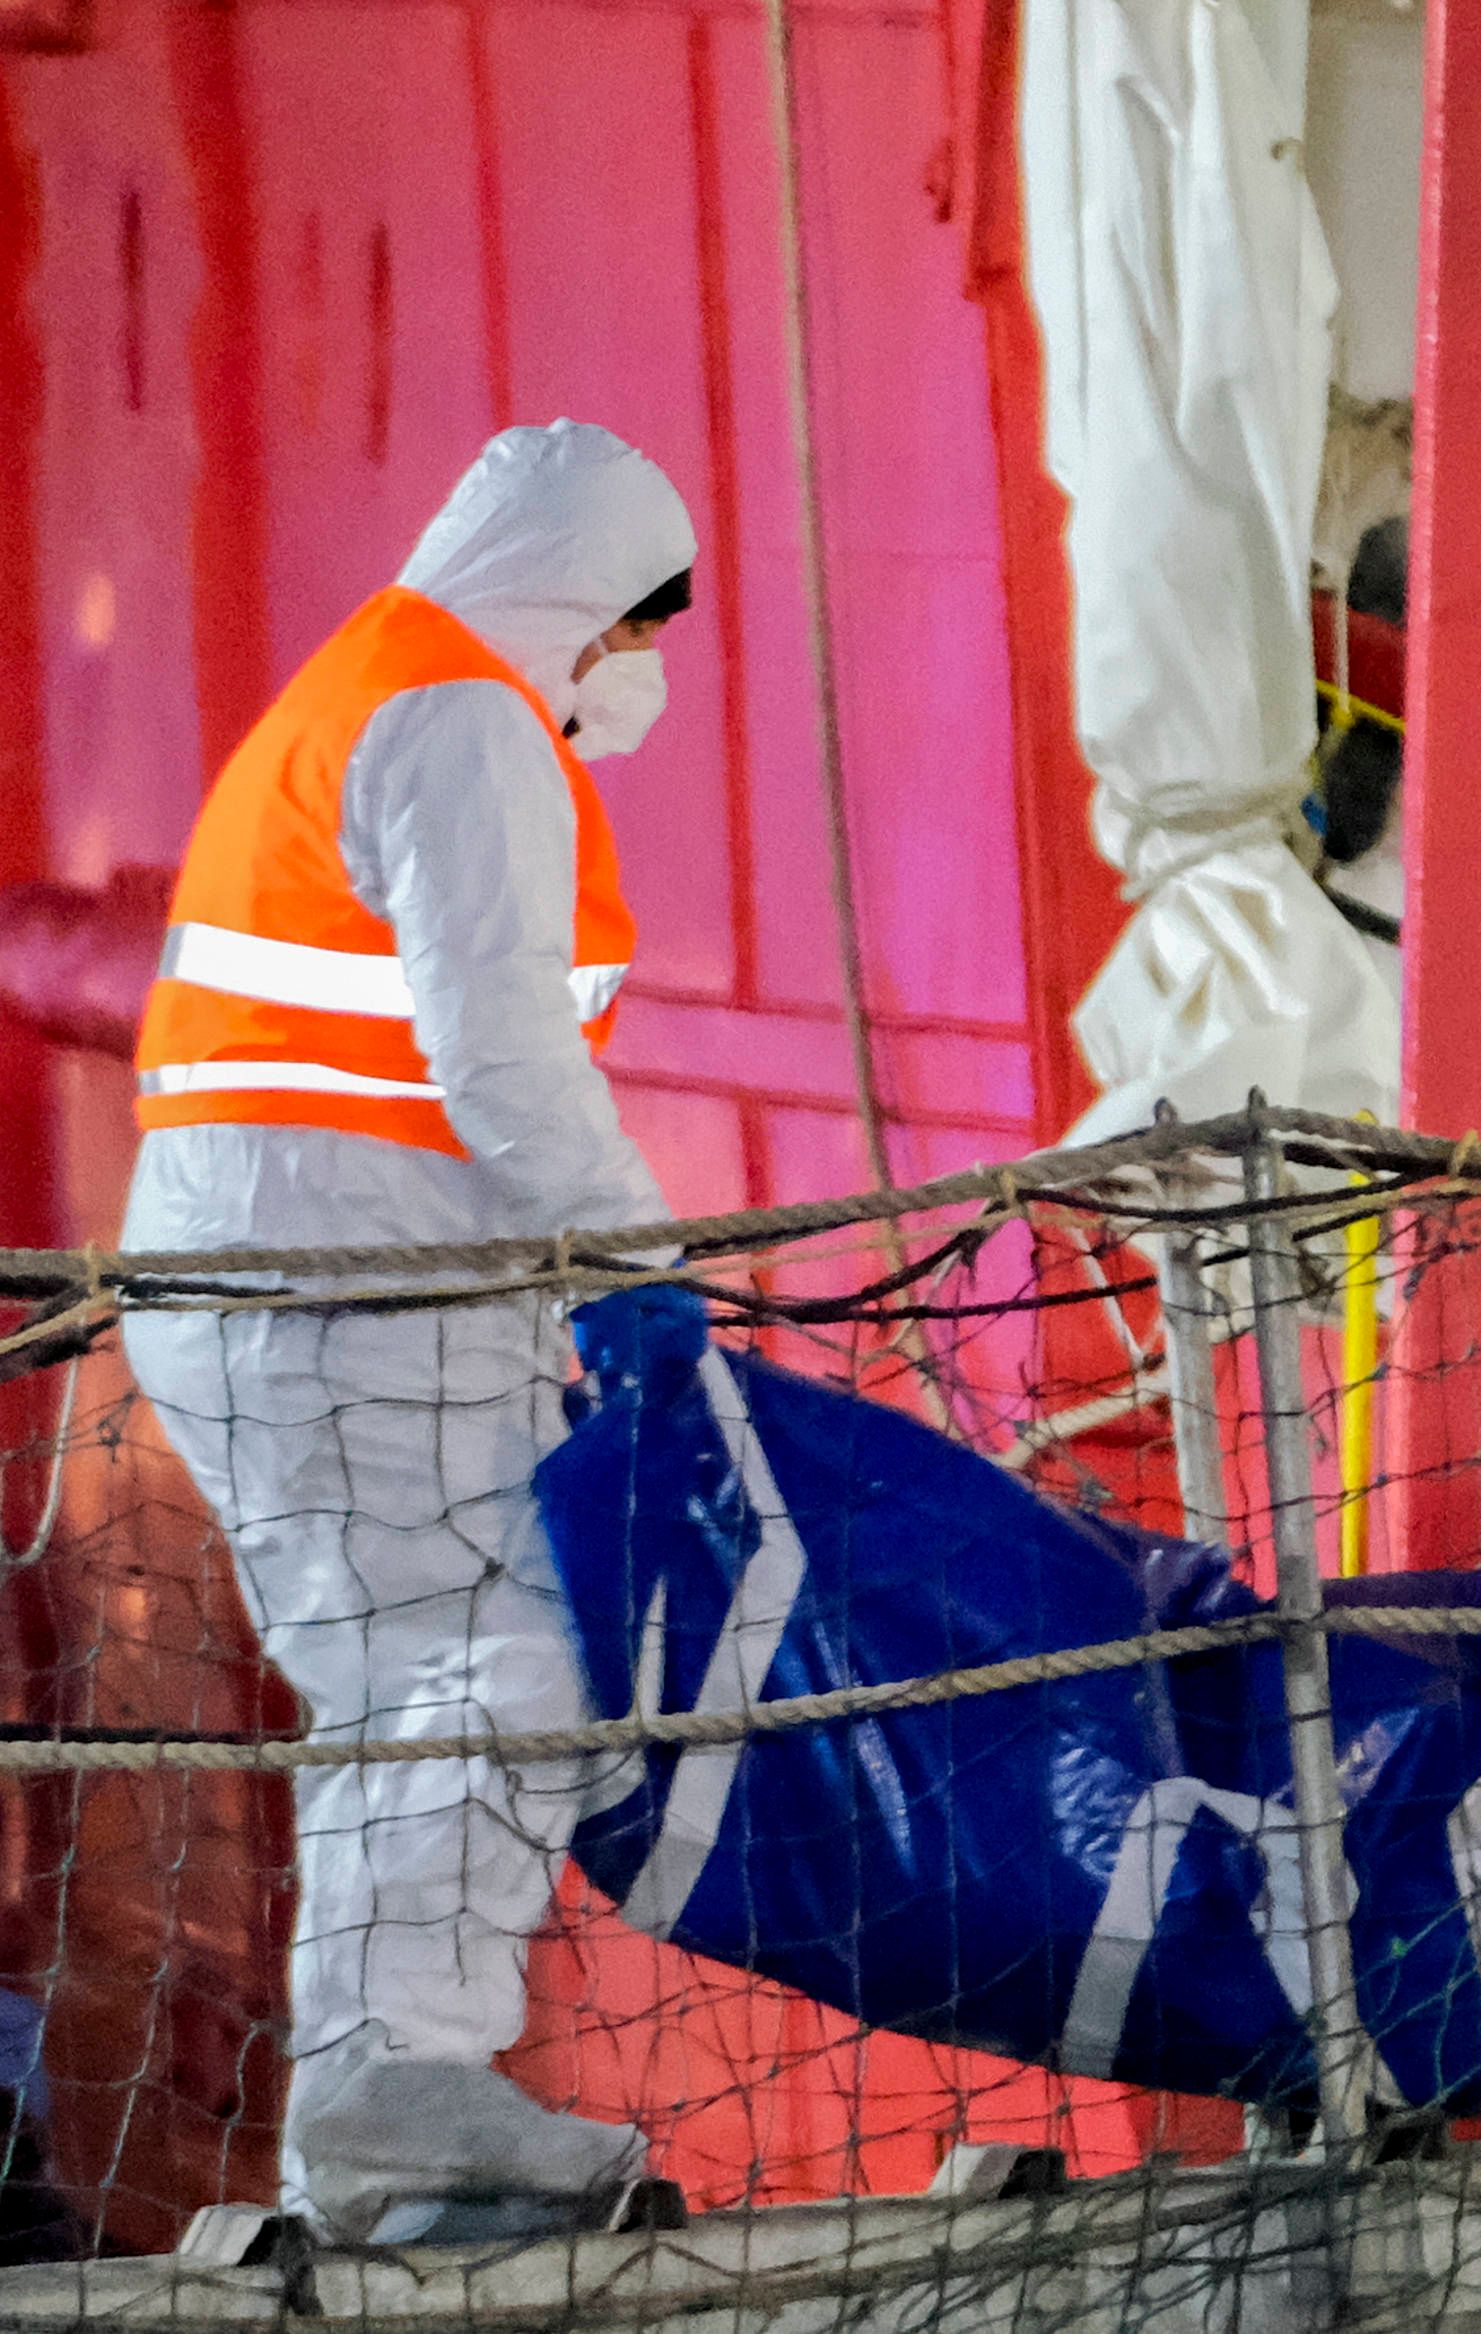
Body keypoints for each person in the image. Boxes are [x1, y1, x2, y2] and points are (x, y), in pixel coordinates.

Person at [118, 422, 693, 2240]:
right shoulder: (464, 721)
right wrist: (638, 1266)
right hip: (342, 1274)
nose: (644, 660)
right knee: (505, 1650)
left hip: (305, 1271)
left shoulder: (379, 688)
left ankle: (377, 2145)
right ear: (573, 595)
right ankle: (395, 2097)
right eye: (638, 618)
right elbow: (500, 1051)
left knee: (411, 1681)